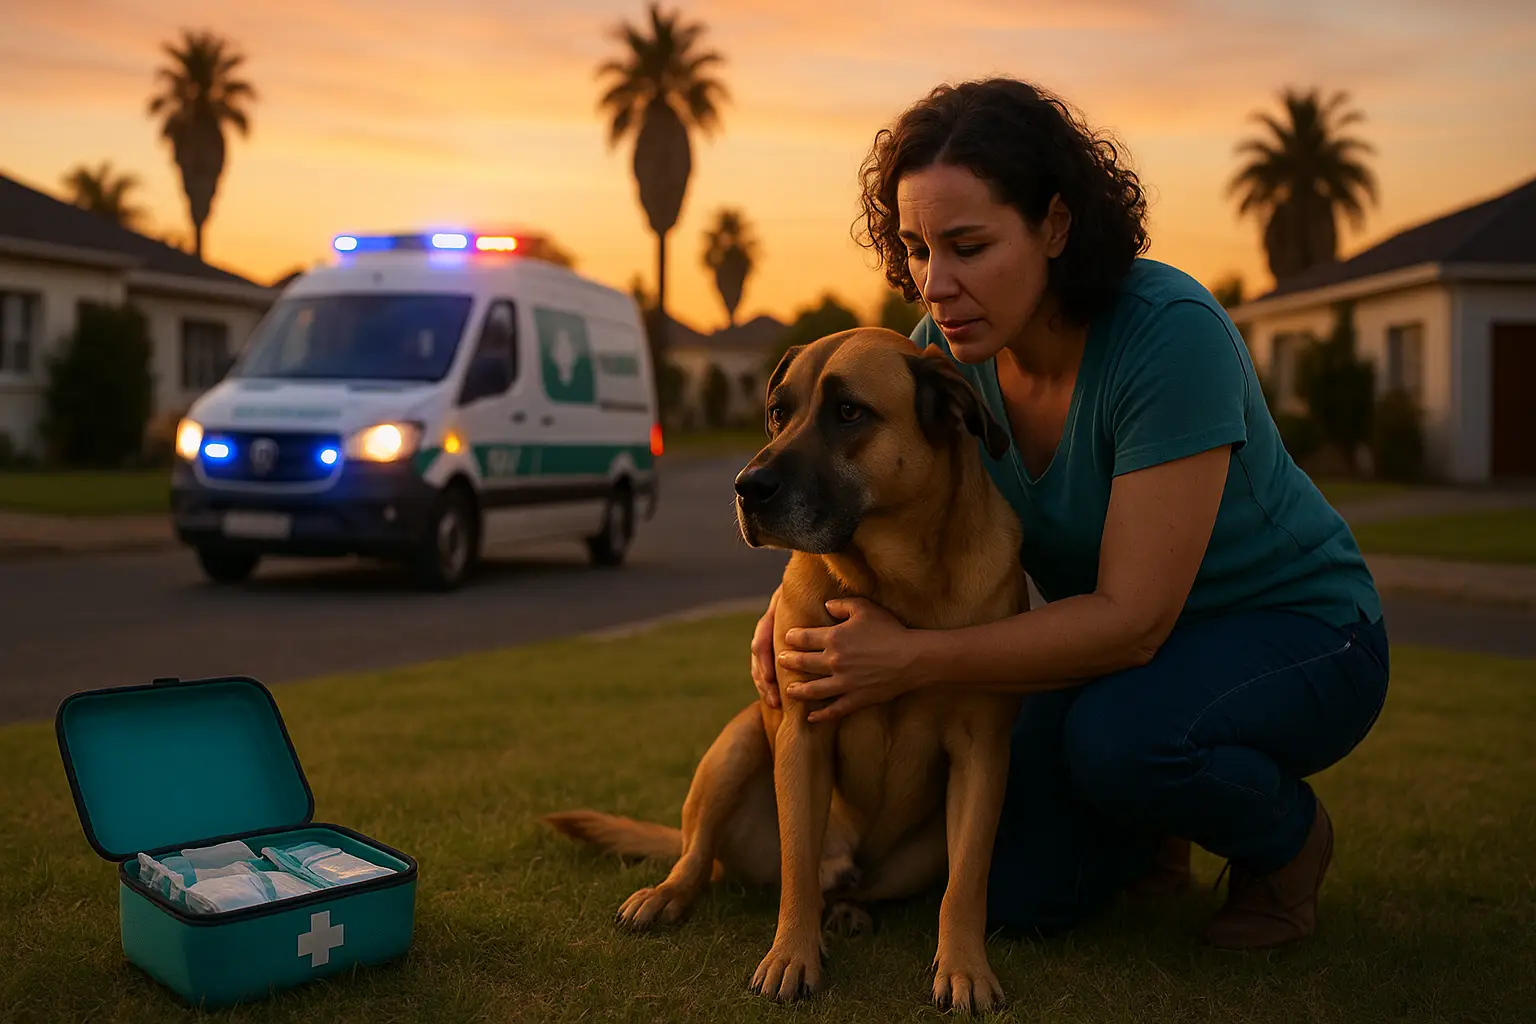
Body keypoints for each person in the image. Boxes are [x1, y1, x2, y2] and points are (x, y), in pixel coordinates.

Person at [746, 77, 1391, 950]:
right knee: (1016, 890)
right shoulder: (947, 352)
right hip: (1123, 656)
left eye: (968, 246)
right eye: (917, 248)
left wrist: (910, 660)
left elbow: (1131, 623)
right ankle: (1147, 839)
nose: (935, 283)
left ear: (1054, 226)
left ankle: (1287, 846)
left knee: (1121, 740)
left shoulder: (1171, 336)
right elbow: (890, 503)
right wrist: (788, 621)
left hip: (1299, 631)